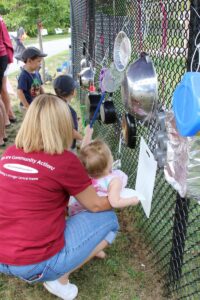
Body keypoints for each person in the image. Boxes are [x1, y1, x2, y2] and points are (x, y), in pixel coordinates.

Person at [0, 93, 119, 300]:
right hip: (34, 265)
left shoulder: (9, 153)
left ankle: (80, 250)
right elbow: (96, 206)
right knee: (109, 220)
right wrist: (119, 194)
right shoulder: (65, 161)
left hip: (3, 256)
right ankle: (59, 277)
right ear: (63, 125)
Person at [69, 139, 140, 217]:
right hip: (91, 214)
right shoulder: (114, 181)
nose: (112, 156)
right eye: (110, 155)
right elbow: (115, 202)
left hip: (75, 210)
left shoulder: (86, 174)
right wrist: (132, 201)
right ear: (109, 161)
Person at [53, 74, 83, 150]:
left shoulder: (53, 105)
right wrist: (82, 138)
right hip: (66, 146)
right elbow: (70, 131)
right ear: (73, 92)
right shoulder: (70, 111)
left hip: (55, 142)